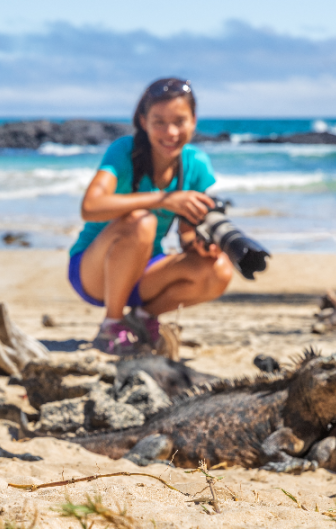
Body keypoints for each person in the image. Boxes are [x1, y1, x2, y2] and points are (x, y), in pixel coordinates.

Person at [68, 78, 234, 355]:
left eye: (179, 121)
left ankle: (143, 318)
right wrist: (165, 200)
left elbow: (186, 236)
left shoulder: (196, 165)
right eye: (159, 122)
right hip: (94, 270)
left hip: (146, 273)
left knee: (219, 269)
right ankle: (112, 323)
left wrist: (201, 246)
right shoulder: (124, 151)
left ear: (193, 121)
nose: (170, 132)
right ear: (143, 122)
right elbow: (90, 206)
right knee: (143, 222)